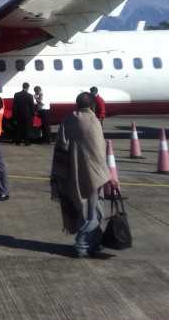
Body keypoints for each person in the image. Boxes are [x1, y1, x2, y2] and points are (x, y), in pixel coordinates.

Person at [50, 92, 116, 258]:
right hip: (92, 175)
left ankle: (94, 243)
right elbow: (98, 153)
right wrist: (109, 176)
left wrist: (59, 174)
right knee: (93, 212)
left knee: (82, 208)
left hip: (72, 173)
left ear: (77, 104)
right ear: (92, 106)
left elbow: (60, 146)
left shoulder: (67, 120)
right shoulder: (94, 122)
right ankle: (82, 245)